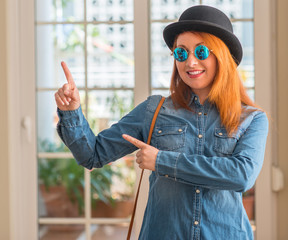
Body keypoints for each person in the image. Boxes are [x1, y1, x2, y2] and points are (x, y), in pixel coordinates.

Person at [55, 5, 268, 240]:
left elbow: (241, 175)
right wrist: (72, 111)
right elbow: (92, 155)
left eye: (201, 51)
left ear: (222, 56)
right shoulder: (154, 110)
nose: (191, 62)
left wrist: (161, 161)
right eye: (181, 53)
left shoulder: (251, 119)